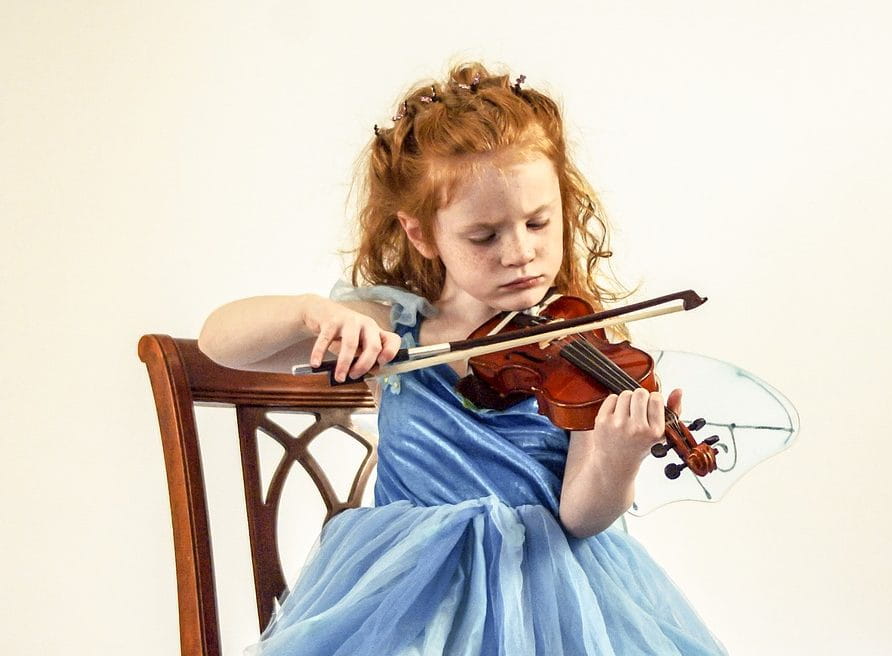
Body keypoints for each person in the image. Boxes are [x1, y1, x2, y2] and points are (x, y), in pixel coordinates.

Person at [198, 62, 727, 655]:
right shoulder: (392, 328)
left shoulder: (583, 344)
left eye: (537, 222)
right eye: (485, 236)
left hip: (551, 597)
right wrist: (309, 313)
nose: (520, 252)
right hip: (410, 604)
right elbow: (221, 341)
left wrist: (619, 453)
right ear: (422, 234)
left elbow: (580, 517)